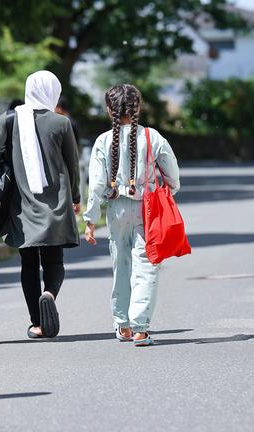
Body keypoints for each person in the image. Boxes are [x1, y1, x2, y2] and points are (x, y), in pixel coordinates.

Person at [0, 70, 80, 339]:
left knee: (28, 263)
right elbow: (72, 166)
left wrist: (13, 157)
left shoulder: (10, 119)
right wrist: (75, 198)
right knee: (54, 258)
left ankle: (37, 323)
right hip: (55, 204)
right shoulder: (62, 123)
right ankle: (49, 293)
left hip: (22, 204)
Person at [82, 84, 180, 347]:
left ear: (108, 109)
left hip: (116, 210)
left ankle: (122, 324)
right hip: (146, 208)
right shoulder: (152, 136)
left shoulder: (103, 141)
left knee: (121, 265)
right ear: (138, 108)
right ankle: (140, 327)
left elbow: (96, 185)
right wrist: (166, 191)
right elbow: (173, 178)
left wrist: (90, 220)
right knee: (146, 266)